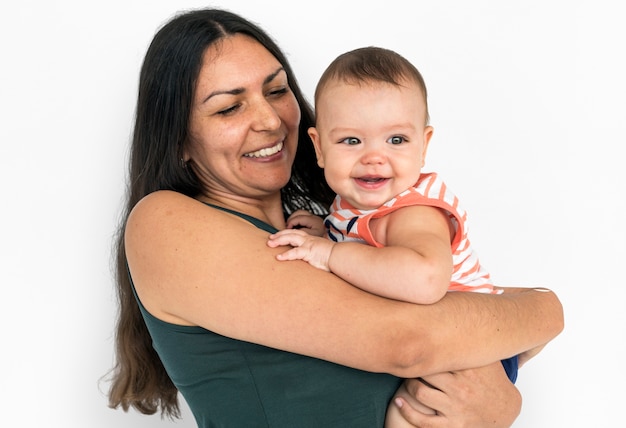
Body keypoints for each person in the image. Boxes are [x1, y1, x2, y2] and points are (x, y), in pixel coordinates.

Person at [106, 8, 563, 428]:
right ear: (179, 139)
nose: (269, 119)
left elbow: (473, 304)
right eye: (229, 106)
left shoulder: (331, 231)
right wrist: (542, 314)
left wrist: (506, 380)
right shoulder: (164, 223)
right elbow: (408, 342)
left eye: (277, 90)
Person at [266, 46, 525, 426]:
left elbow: (424, 279)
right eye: (351, 141)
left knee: (405, 413)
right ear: (319, 147)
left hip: (471, 349)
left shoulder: (412, 211)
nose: (374, 156)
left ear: (425, 145)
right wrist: (329, 232)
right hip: (444, 340)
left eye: (397, 141)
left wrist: (328, 254)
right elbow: (372, 250)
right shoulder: (353, 207)